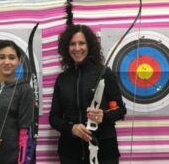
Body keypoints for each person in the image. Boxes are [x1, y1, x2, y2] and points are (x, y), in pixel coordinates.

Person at [49, 24, 126, 164]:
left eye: (81, 43)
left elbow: (120, 110)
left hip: (104, 153)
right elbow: (54, 118)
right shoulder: (62, 79)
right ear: (67, 47)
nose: (77, 48)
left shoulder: (104, 73)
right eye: (72, 44)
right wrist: (71, 128)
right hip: (70, 154)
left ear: (89, 45)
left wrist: (104, 116)